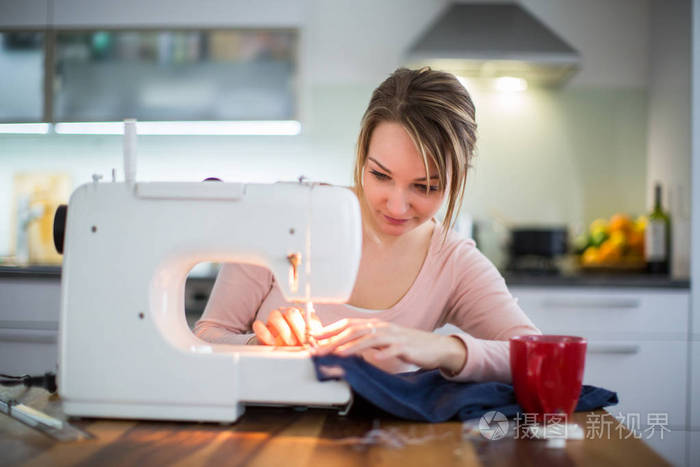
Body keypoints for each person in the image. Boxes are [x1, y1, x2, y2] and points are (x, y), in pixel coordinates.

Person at [194, 67, 540, 383]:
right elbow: (208, 334)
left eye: (425, 186)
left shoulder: (453, 264)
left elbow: (539, 356)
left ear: (457, 178)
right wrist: (257, 344)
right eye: (380, 175)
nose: (397, 205)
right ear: (363, 154)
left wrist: (442, 349)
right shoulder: (286, 216)